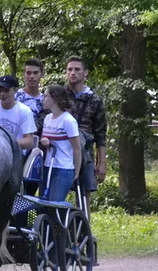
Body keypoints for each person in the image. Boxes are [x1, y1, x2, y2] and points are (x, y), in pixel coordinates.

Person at [65, 56, 107, 209]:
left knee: (83, 195)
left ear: (85, 73)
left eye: (77, 69)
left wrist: (101, 162)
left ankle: (83, 229)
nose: (73, 73)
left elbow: (100, 133)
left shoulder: (94, 99)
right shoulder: (59, 96)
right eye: (70, 69)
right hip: (61, 150)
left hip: (85, 152)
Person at [38, 84, 82, 203]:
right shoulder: (47, 118)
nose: (43, 100)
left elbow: (77, 148)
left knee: (54, 204)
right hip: (47, 166)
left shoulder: (68, 120)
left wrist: (76, 171)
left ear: (55, 98)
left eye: (46, 96)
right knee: (42, 203)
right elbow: (44, 139)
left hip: (63, 169)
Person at [0, 75, 36, 151]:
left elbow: (29, 141)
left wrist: (6, 143)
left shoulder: (25, 111)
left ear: (15, 90)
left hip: (16, 154)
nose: (3, 94)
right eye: (0, 90)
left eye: (6, 90)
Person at [16, 58, 46, 135]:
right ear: (24, 74)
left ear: (42, 74)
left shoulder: (45, 100)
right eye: (28, 73)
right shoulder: (15, 96)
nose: (32, 76)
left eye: (35, 73)